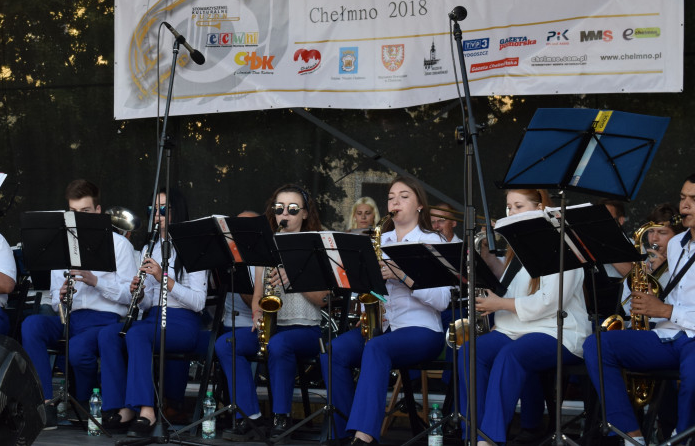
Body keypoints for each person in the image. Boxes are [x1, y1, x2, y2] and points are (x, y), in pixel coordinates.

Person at [322, 176, 451, 445]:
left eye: (404, 196)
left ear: (419, 206)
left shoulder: (433, 240)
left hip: (422, 330)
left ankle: (364, 436)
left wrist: (402, 276)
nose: (395, 201)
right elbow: (368, 287)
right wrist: (369, 302)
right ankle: (345, 431)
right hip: (383, 326)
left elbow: (441, 300)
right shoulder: (381, 239)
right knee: (334, 351)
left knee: (377, 348)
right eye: (391, 197)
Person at [462, 188, 588, 446]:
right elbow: (513, 283)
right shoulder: (519, 245)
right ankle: (472, 435)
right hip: (515, 328)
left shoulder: (562, 243)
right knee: (470, 352)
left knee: (512, 355)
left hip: (557, 331)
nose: (511, 213)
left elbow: (550, 302)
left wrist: (499, 304)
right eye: (509, 207)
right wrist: (485, 256)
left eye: (518, 206)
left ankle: (490, 439)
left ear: (540, 207)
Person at [584, 175, 695, 446]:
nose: (685, 206)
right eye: (683, 198)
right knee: (597, 345)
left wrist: (666, 310)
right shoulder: (678, 243)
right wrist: (647, 301)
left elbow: (671, 308)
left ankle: (680, 441)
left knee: (693, 380)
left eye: (693, 200)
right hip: (667, 337)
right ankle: (630, 436)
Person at [20, 179, 136, 429]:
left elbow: (131, 297)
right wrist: (60, 295)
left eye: (85, 212)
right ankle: (45, 403)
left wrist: (96, 281)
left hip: (105, 321)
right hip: (71, 319)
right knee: (31, 325)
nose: (79, 218)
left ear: (98, 211)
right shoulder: (61, 244)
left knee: (78, 349)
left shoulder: (120, 245)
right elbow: (53, 298)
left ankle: (85, 401)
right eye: (73, 213)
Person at [218, 184, 327, 442]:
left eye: (292, 209)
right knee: (226, 343)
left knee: (280, 344)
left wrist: (294, 280)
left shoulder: (314, 247)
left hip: (306, 329)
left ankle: (281, 417)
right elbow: (257, 296)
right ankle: (250, 417)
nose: (284, 215)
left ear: (304, 214)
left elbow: (324, 300)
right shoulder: (264, 246)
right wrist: (257, 312)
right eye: (279, 209)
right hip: (273, 327)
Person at [98, 187, 208, 436]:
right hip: (153, 318)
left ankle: (146, 410)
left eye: (162, 210)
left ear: (176, 211)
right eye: (152, 210)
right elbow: (148, 302)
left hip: (183, 323)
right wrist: (140, 293)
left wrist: (163, 277)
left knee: (136, 336)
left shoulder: (193, 245)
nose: (156, 215)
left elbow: (199, 302)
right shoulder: (152, 247)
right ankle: (122, 407)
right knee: (109, 334)